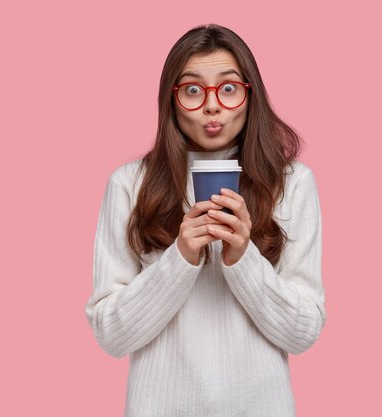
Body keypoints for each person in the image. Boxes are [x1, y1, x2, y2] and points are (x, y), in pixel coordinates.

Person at [85, 23, 327, 417]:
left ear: (250, 97)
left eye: (228, 88)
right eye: (193, 90)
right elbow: (110, 336)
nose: (212, 106)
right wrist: (180, 258)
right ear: (172, 100)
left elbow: (303, 333)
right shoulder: (130, 184)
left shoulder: (292, 183)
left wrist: (241, 258)